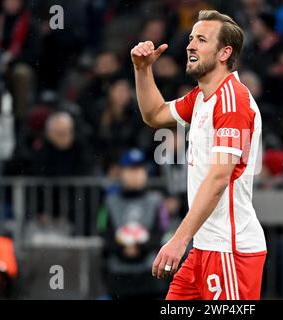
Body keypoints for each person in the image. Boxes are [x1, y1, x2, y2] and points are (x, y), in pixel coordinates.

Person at [131, 9, 267, 300]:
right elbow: (154, 114)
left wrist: (178, 240)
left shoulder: (233, 100)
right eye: (191, 38)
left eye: (202, 40)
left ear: (224, 52)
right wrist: (142, 70)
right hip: (204, 247)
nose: (190, 45)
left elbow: (219, 178)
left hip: (230, 250)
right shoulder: (202, 97)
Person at [99, 149, 169, 299]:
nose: (135, 175)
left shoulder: (156, 201)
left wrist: (140, 248)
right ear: (122, 173)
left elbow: (162, 231)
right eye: (131, 170)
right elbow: (104, 232)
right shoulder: (109, 202)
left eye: (139, 170)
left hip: (150, 277)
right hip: (118, 277)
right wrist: (122, 249)